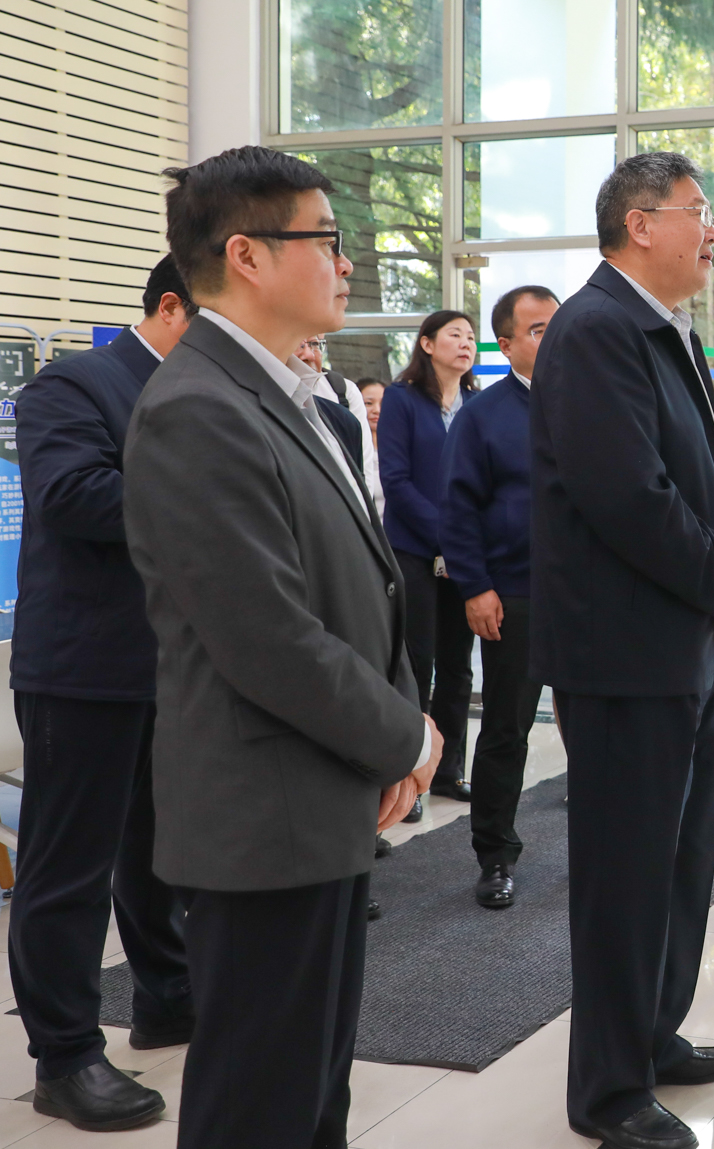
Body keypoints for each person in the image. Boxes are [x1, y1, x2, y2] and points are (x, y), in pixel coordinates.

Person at [125, 145, 440, 1148]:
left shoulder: (287, 394)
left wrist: (397, 728)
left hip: (319, 797)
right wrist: (406, 736)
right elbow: (267, 636)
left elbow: (364, 587)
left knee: (311, 1094)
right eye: (327, 241)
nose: (345, 264)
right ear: (247, 255)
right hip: (263, 820)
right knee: (260, 1103)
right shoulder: (198, 408)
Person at [532, 151, 714, 1149]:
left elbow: (702, 485)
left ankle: (651, 1033)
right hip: (626, 658)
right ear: (641, 224)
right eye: (697, 210)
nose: (712, 231)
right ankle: (607, 1090)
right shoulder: (596, 329)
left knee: (679, 868)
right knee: (624, 879)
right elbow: (629, 498)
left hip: (684, 647)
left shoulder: (658, 327)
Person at [8, 256, 195, 1132]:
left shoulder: (193, 390)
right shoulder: (73, 384)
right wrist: (214, 494)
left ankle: (167, 995)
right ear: (173, 307)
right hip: (82, 668)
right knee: (69, 868)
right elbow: (75, 495)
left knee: (160, 850)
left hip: (172, 664)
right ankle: (66, 1054)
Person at [441, 284, 559, 910]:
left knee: (601, 725)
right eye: (538, 329)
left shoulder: (598, 401)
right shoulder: (483, 415)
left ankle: (606, 846)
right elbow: (458, 507)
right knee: (507, 730)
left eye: (558, 325)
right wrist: (477, 587)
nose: (554, 337)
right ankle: (495, 855)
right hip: (516, 594)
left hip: (590, 596)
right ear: (507, 344)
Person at [378, 309, 482, 814]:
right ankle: (409, 779)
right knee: (417, 664)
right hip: (415, 549)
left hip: (464, 554)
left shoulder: (477, 404)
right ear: (426, 344)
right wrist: (448, 536)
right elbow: (396, 481)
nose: (466, 344)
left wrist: (466, 542)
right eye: (455, 334)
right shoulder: (402, 399)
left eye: (471, 337)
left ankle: (448, 770)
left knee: (458, 668)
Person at [298, 336, 384, 515]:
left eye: (315, 344)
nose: (309, 354)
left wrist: (362, 518)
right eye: (299, 344)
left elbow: (363, 468)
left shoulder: (342, 391)